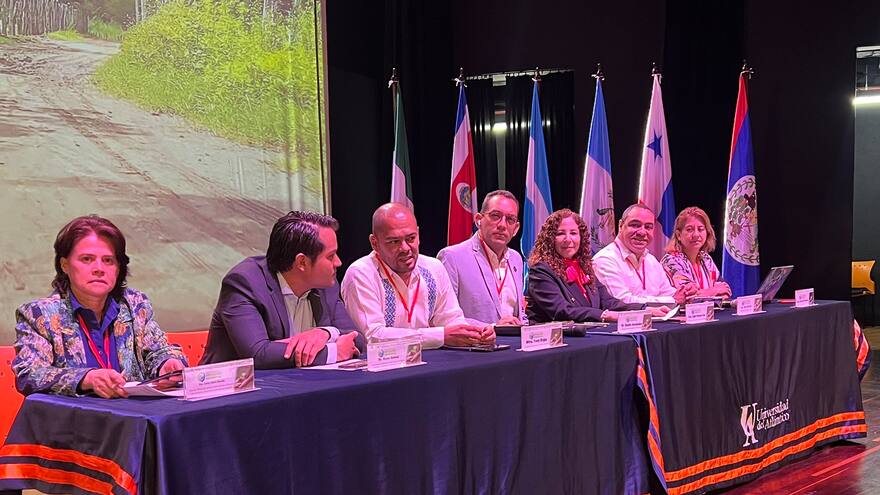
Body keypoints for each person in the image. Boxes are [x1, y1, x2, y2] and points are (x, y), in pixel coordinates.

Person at [12, 215, 187, 398]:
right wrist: (86, 379)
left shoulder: (135, 305)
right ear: (65, 265)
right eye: (87, 259)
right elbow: (29, 374)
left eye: (108, 260)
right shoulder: (40, 315)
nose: (99, 268)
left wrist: (167, 362)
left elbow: (159, 350)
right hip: (74, 423)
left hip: (132, 420)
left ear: (119, 268)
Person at [201, 211, 363, 369]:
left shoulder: (326, 284)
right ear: (302, 262)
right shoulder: (244, 283)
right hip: (230, 390)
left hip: (299, 385)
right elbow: (258, 354)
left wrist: (326, 332)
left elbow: (357, 339)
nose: (338, 262)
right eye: (330, 256)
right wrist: (333, 351)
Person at [341, 203, 493, 349]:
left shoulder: (433, 268)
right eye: (394, 241)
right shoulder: (361, 274)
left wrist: (475, 333)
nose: (405, 248)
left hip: (429, 365)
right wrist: (439, 336)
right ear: (374, 243)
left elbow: (451, 320)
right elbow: (374, 337)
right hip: (381, 371)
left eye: (411, 239)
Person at [526, 209, 654, 323]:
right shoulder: (541, 270)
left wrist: (645, 309)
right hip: (551, 341)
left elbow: (608, 302)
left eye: (573, 233)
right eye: (560, 233)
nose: (568, 239)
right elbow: (561, 310)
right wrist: (604, 315)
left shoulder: (584, 267)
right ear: (550, 239)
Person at [438, 190, 528, 326]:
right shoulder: (452, 257)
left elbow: (519, 315)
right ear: (478, 220)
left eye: (510, 219)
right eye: (495, 216)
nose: (502, 225)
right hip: (475, 345)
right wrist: (493, 328)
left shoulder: (516, 259)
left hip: (516, 344)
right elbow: (445, 317)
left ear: (516, 228)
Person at [593, 204, 693, 305]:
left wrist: (685, 294)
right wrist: (673, 300)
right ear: (620, 225)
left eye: (648, 227)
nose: (642, 232)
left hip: (656, 320)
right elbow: (621, 302)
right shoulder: (605, 259)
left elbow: (668, 293)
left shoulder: (651, 260)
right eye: (635, 225)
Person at [660, 207, 732, 298]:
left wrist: (713, 292)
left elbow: (725, 289)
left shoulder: (706, 258)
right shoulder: (671, 261)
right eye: (690, 230)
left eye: (700, 229)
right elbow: (687, 297)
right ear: (678, 235)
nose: (696, 235)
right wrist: (713, 291)